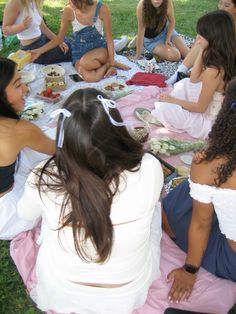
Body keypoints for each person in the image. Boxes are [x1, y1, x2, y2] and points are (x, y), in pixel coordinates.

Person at [17, 88, 164, 313]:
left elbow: (25, 214)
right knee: (154, 212)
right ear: (116, 129)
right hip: (128, 286)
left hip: (64, 286)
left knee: (48, 224)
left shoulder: (42, 177)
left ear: (64, 137)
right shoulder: (150, 166)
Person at [161, 76, 236, 303]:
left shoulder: (209, 163)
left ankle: (170, 229)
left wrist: (190, 270)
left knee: (183, 194)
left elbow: (201, 223)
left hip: (229, 258)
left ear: (223, 104)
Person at [148, 10, 236, 139]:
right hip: (213, 105)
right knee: (184, 83)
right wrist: (201, 49)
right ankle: (176, 108)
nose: (197, 38)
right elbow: (194, 79)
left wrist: (173, 100)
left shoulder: (214, 71)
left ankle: (172, 113)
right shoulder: (224, 55)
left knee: (164, 109)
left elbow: (200, 108)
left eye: (201, 35)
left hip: (211, 123)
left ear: (214, 37)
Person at [0, 57, 55, 240]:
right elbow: (58, 150)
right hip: (8, 215)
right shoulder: (18, 130)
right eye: (17, 85)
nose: (26, 89)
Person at [30, 0, 130, 82]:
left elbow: (109, 40)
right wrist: (39, 51)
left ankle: (110, 62)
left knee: (85, 63)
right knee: (90, 78)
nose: (69, 2)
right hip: (79, 52)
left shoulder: (102, 8)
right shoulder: (69, 10)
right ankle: (106, 64)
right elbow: (59, 38)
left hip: (99, 50)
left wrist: (112, 63)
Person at [166, 0, 236, 85]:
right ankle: (179, 73)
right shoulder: (218, 19)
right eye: (220, 3)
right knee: (201, 41)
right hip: (215, 55)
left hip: (228, 61)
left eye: (226, 5)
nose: (221, 7)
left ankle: (187, 73)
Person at [2, 0, 71, 64]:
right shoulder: (15, 2)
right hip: (32, 48)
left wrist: (59, 42)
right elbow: (5, 30)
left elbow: (44, 28)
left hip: (43, 39)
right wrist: (22, 26)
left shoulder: (35, 2)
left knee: (71, 41)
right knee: (73, 48)